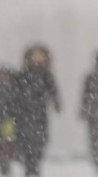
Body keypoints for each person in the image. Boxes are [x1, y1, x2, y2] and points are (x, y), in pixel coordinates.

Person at [15, 44, 61, 177]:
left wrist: (57, 104)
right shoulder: (22, 74)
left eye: (39, 56)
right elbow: (15, 93)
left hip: (40, 114)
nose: (37, 59)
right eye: (34, 56)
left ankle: (34, 165)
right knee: (26, 142)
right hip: (24, 114)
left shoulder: (46, 75)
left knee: (40, 141)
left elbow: (54, 91)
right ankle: (29, 167)